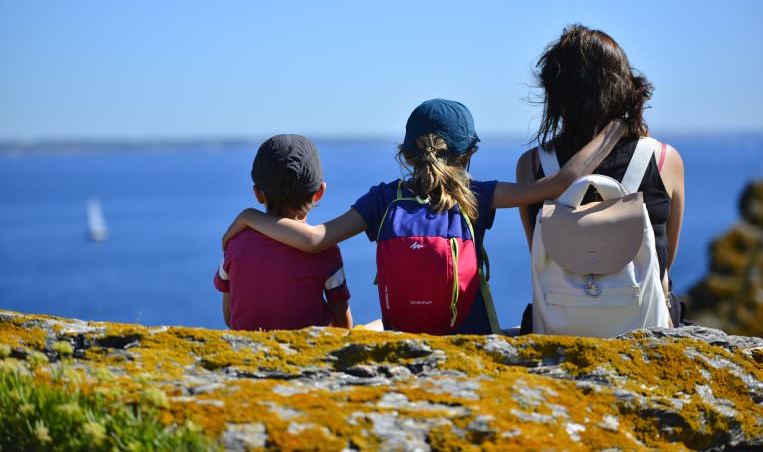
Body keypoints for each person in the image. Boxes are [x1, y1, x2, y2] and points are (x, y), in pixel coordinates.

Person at [222, 99, 627, 335]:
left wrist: (248, 216)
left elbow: (314, 239)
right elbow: (562, 182)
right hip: (473, 336)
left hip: (406, 340)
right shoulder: (478, 195)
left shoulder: (383, 199)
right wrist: (614, 130)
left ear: (407, 154)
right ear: (468, 155)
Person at [517, 24, 685, 330]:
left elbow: (538, 254)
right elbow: (665, 260)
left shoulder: (532, 165)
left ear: (557, 94)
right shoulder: (663, 160)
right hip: (645, 331)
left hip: (559, 331)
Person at [214, 134, 353, 331]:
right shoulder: (326, 251)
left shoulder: (235, 243)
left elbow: (230, 317)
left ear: (258, 193)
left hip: (249, 349)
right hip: (308, 354)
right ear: (319, 192)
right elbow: (343, 326)